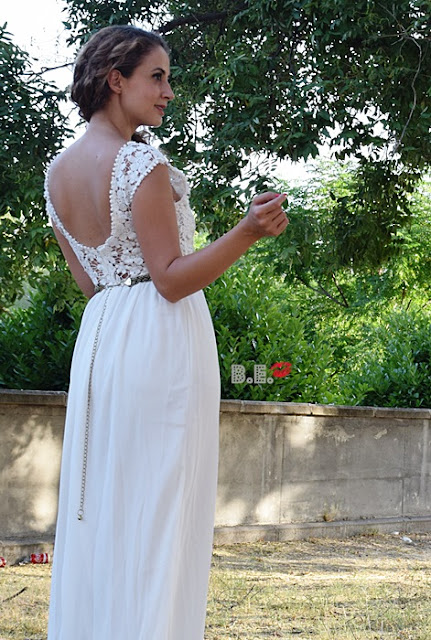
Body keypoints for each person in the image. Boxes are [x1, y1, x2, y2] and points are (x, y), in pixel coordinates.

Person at [44, 24, 288, 640]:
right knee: (160, 512)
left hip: (103, 342)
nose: (168, 92)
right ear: (115, 80)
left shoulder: (57, 174)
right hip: (159, 339)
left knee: (106, 504)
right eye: (157, 77)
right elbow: (172, 280)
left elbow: (93, 285)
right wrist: (247, 233)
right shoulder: (139, 161)